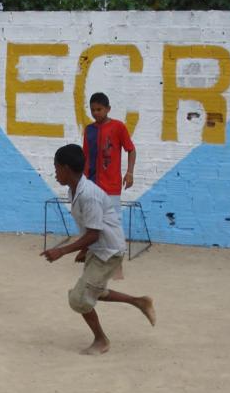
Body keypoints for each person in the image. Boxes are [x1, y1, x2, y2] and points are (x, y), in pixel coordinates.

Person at [41, 144, 155, 355]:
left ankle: (101, 340)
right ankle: (139, 302)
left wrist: (62, 251)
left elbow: (94, 232)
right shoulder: (73, 190)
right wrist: (84, 249)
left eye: (56, 168)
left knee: (79, 298)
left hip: (108, 250)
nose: (55, 173)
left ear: (66, 168)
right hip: (98, 246)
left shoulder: (88, 195)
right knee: (95, 291)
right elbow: (90, 228)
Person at [82, 92, 136, 278]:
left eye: (99, 109)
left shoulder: (118, 127)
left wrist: (129, 172)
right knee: (93, 222)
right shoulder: (89, 130)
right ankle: (94, 259)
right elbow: (86, 157)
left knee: (114, 224)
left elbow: (131, 149)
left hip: (111, 184)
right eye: (93, 110)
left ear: (108, 109)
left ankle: (117, 263)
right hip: (91, 184)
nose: (96, 113)